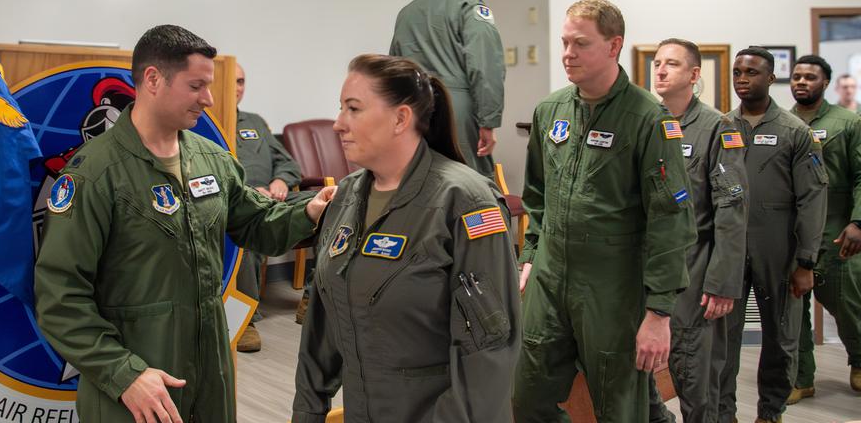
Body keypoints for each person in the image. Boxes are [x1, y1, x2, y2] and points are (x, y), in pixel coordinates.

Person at [34, 25, 333, 423]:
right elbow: (60, 297)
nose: (208, 99)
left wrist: (309, 209)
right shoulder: (94, 174)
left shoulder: (212, 158)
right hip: (136, 382)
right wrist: (123, 375)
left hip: (210, 371)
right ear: (154, 79)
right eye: (196, 86)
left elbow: (255, 224)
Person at [292, 54, 520, 423]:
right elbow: (321, 328)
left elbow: (489, 352)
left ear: (400, 118)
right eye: (341, 109)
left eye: (353, 109)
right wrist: (307, 411)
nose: (337, 124)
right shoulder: (345, 198)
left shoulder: (465, 202)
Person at [512, 0, 696, 422]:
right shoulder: (550, 111)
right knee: (527, 399)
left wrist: (658, 313)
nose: (567, 54)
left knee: (620, 410)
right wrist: (529, 256)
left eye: (581, 43)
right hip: (550, 277)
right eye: (564, 42)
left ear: (614, 46)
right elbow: (536, 196)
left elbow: (671, 220)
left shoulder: (649, 119)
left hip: (613, 286)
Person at [719, 47, 828, 423]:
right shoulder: (722, 127)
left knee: (781, 338)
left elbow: (813, 199)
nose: (742, 79)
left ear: (771, 78)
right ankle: (724, 413)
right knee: (722, 338)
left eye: (751, 72)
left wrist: (806, 261)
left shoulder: (795, 131)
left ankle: (770, 412)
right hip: (729, 252)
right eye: (737, 72)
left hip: (779, 250)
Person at [646, 38, 749, 423]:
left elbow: (732, 208)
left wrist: (722, 282)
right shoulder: (645, 121)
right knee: (642, 376)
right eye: (657, 63)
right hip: (647, 267)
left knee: (695, 375)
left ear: (693, 75)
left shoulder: (717, 128)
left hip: (695, 269)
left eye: (671, 64)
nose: (660, 70)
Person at [786, 55, 861, 404]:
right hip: (791, 235)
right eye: (796, 76)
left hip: (837, 231)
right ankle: (801, 378)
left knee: (850, 306)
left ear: (824, 82)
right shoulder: (782, 122)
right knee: (792, 315)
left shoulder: (849, 122)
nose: (801, 82)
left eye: (809, 77)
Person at [389, 0, 505, 177]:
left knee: (421, 180)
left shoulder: (407, 12)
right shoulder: (470, 7)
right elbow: (486, 67)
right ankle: (473, 217)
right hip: (457, 112)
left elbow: (394, 71)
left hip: (414, 113)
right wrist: (489, 122)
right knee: (472, 184)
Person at [234, 63, 304, 352]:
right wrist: (249, 191)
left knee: (332, 207)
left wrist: (281, 180)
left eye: (241, 81)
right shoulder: (203, 123)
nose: (237, 87)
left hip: (276, 198)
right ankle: (244, 319)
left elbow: (288, 162)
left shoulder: (255, 122)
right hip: (240, 202)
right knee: (244, 229)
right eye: (231, 81)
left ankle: (313, 298)